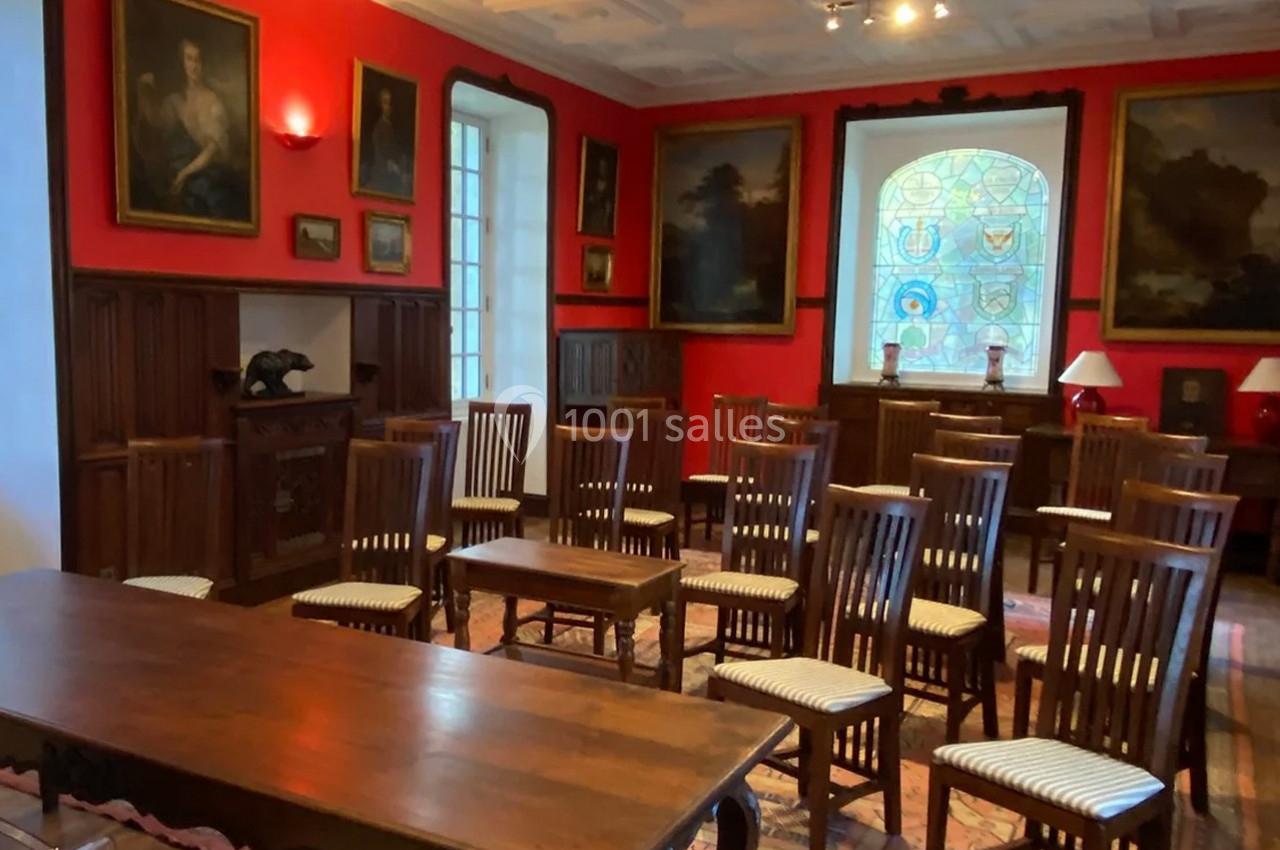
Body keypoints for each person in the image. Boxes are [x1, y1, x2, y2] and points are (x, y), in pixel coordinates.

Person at [132, 37, 238, 218]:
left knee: (207, 196)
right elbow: (156, 121)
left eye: (198, 59)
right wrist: (144, 90)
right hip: (186, 171)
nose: (194, 65)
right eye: (189, 59)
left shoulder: (213, 101)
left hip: (209, 172)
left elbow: (211, 151)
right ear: (182, 62)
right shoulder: (176, 100)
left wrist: (184, 174)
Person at [363, 87, 411, 196]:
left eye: (389, 103)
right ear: (380, 105)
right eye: (385, 103)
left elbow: (394, 150)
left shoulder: (389, 127)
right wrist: (394, 166)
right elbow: (380, 152)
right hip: (382, 170)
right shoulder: (380, 127)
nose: (388, 107)